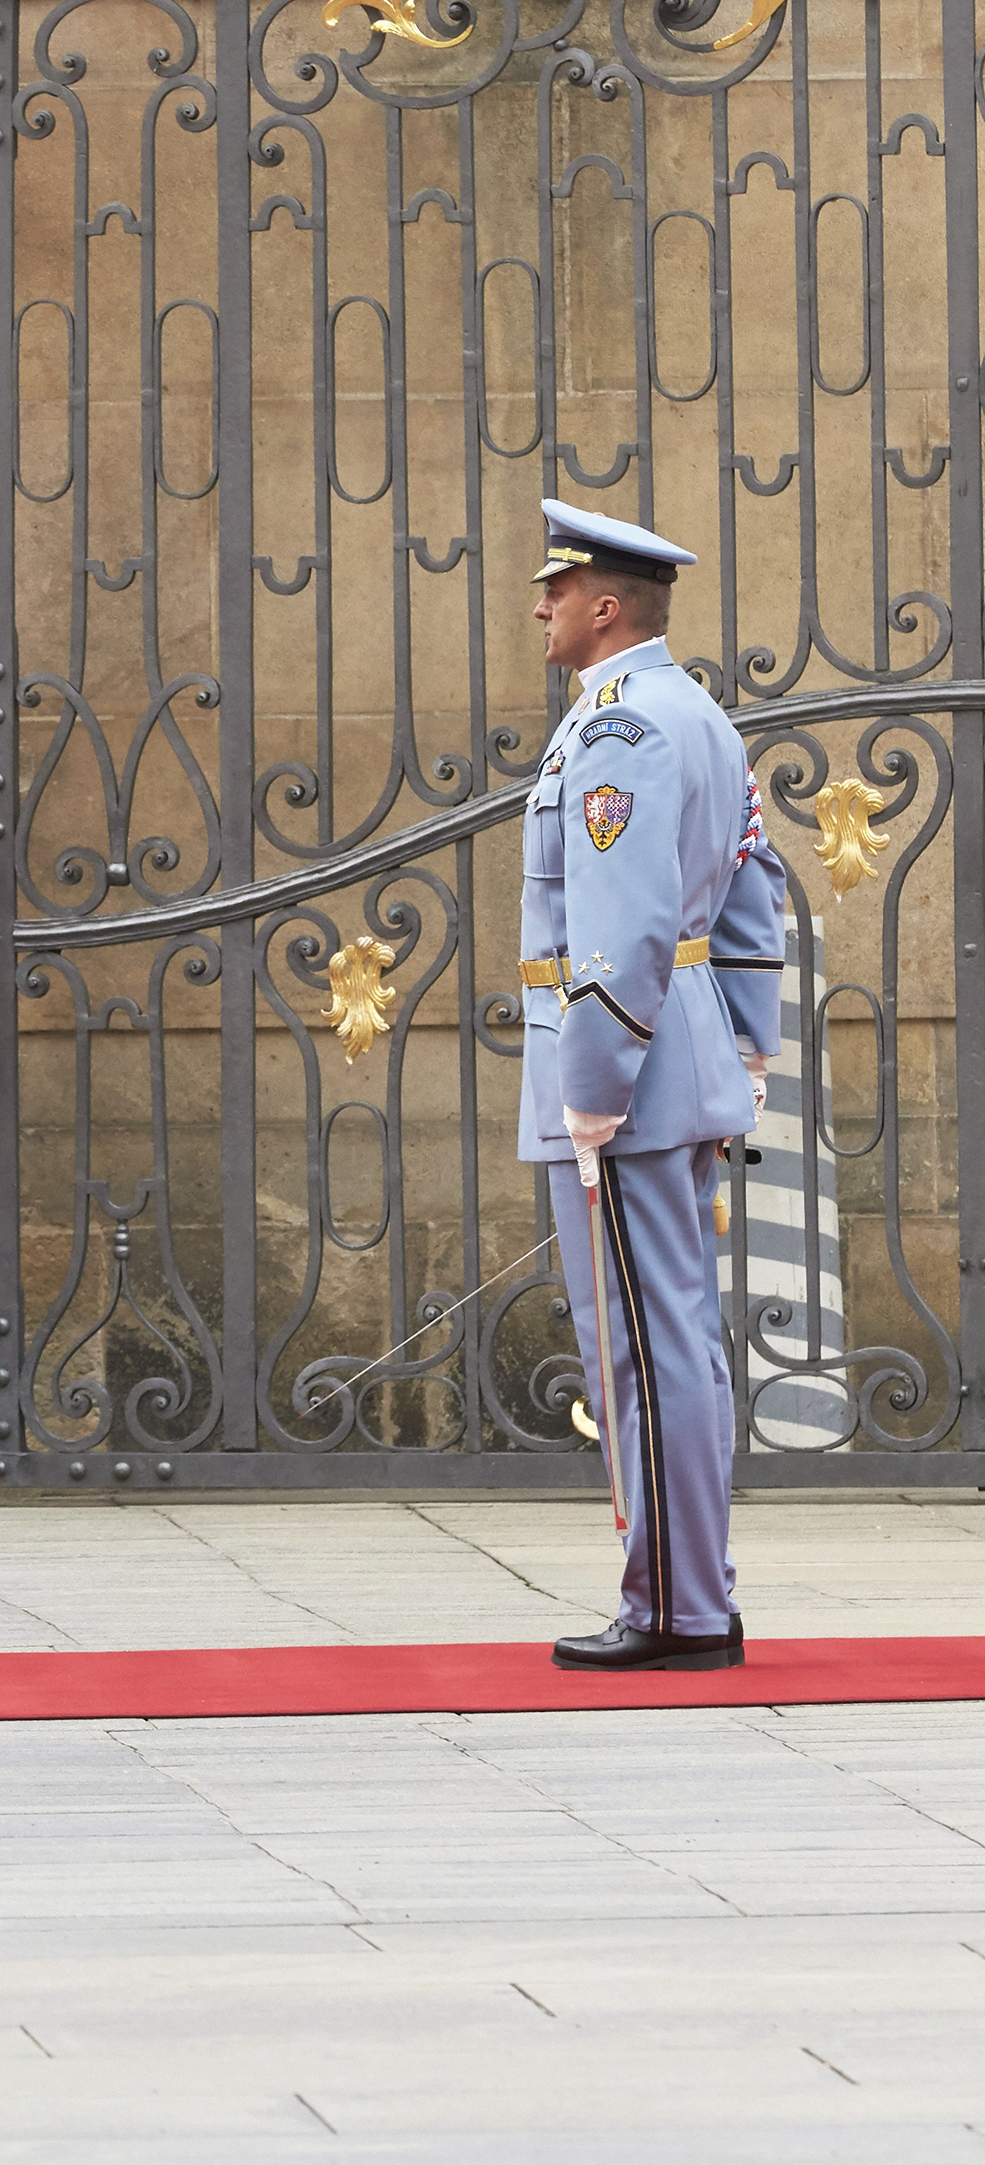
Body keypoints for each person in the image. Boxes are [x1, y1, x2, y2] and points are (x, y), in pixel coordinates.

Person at [526, 500, 782, 1672]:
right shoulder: (700, 717)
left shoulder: (621, 732)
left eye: (556, 590)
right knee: (671, 1332)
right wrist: (748, 1039)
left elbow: (622, 931)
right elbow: (749, 890)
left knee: (643, 1342)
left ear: (606, 607)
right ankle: (692, 1591)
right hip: (680, 1051)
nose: (542, 607)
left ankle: (677, 1608)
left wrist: (593, 1083)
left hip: (625, 1068)